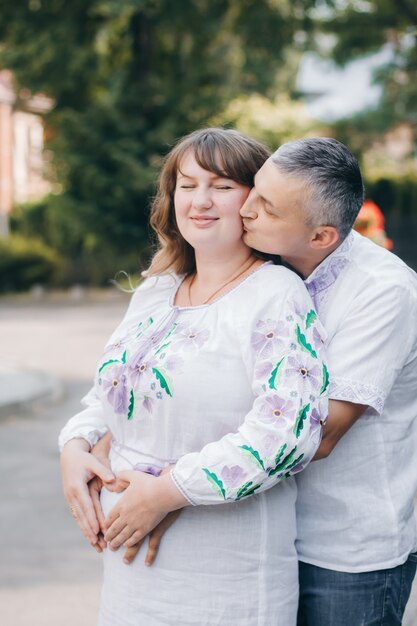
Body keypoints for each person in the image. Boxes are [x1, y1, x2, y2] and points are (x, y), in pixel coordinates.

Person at [59, 128, 328, 625]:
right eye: (187, 184)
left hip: (226, 575)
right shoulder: (157, 291)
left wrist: (167, 491)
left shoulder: (276, 295)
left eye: (222, 185)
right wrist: (74, 447)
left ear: (255, 200)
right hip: (130, 574)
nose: (200, 201)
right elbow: (110, 391)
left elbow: (287, 433)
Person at [239, 137, 417, 626]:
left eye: (267, 208)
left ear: (321, 237)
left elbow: (320, 435)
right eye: (254, 191)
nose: (245, 210)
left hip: (347, 551)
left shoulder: (384, 292)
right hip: (266, 530)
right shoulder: (266, 265)